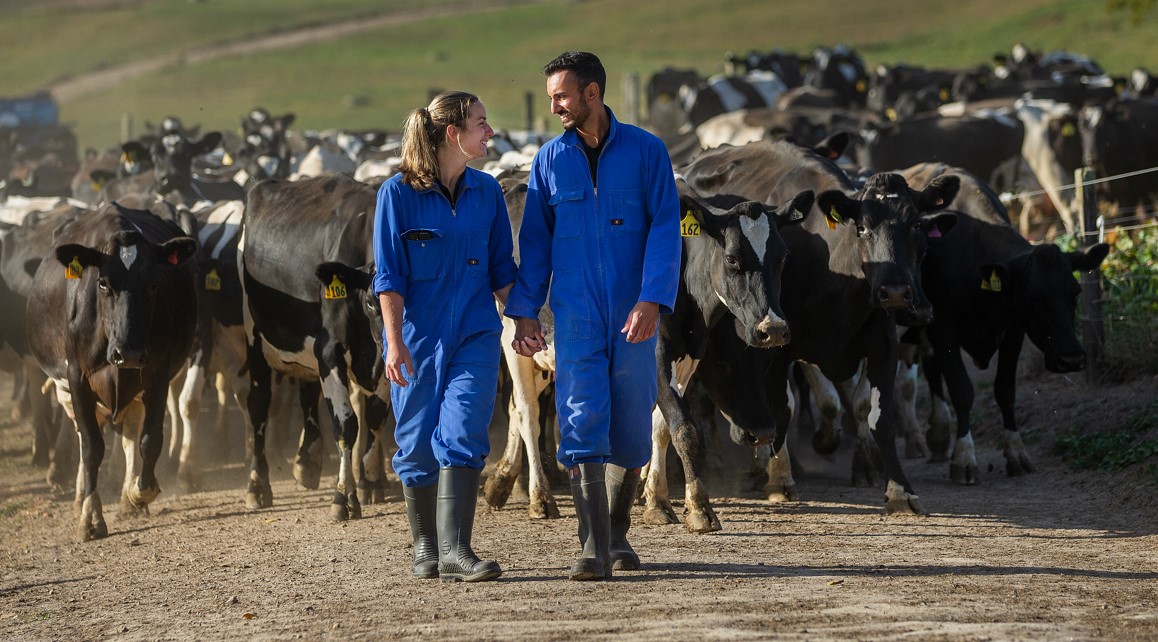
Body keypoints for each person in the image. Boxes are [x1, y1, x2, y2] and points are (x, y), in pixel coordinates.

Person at [505, 52, 681, 581]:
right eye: (552, 97)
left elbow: (665, 229)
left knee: (631, 423)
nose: (555, 106)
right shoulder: (548, 161)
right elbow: (534, 244)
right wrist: (524, 312)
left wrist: (652, 299)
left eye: (562, 95)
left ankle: (617, 532)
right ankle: (590, 546)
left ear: (592, 93)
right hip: (576, 315)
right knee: (581, 422)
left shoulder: (648, 152)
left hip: (634, 313)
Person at [373, 91, 516, 583]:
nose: (489, 132)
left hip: (476, 334)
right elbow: (388, 279)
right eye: (481, 123)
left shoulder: (488, 192)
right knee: (414, 445)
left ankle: (457, 548)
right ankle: (426, 548)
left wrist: (533, 315)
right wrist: (393, 342)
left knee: (462, 432)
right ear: (453, 133)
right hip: (417, 337)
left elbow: (502, 272)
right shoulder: (396, 195)